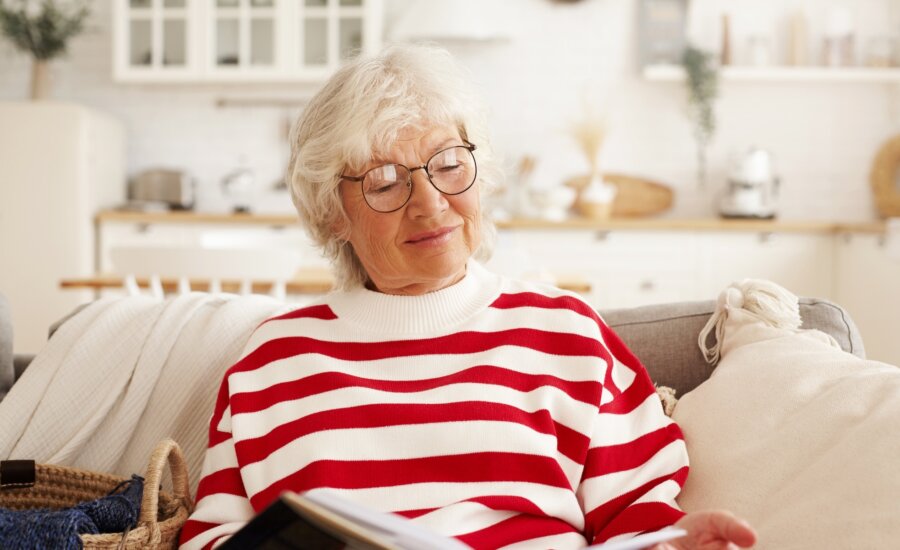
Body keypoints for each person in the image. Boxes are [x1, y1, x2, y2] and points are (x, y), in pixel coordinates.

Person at [179, 44, 756, 550]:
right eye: (385, 182)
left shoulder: (567, 332)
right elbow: (211, 535)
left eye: (450, 165)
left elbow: (642, 514)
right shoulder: (273, 359)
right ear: (332, 214)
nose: (430, 203)